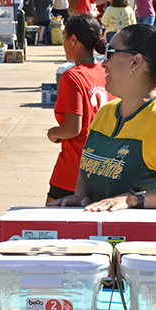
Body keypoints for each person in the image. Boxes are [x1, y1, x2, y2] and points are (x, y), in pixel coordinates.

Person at [48, 21, 156, 211]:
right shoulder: (106, 113)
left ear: (135, 62)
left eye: (110, 54)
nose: (104, 63)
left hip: (137, 238)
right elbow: (87, 170)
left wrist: (131, 199)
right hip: (99, 236)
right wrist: (80, 197)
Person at [46, 14, 112, 202]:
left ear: (73, 39)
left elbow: (72, 129)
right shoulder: (106, 72)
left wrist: (52, 133)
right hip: (105, 168)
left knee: (51, 226)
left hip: (74, 170)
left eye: (65, 36)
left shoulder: (72, 76)